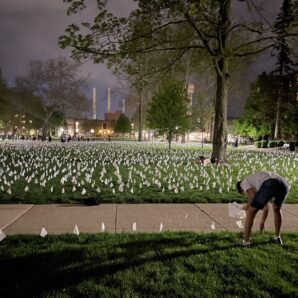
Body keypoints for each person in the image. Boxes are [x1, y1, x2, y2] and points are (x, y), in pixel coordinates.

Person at [236, 171, 289, 247]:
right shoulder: (258, 185)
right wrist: (262, 222)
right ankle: (277, 237)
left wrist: (247, 206)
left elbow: (252, 196)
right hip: (283, 183)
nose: (246, 194)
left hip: (270, 183)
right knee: (276, 208)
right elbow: (266, 206)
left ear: (241, 190)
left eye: (245, 193)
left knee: (251, 212)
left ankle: (245, 242)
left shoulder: (243, 183)